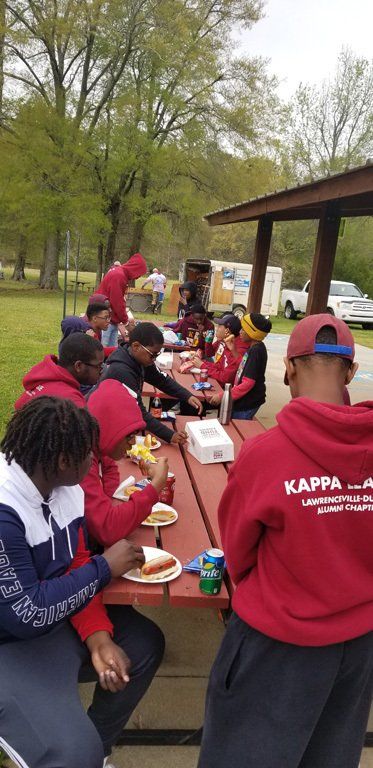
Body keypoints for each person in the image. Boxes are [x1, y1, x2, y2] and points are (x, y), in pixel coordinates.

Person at [198, 314, 373, 768]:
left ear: (289, 369)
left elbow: (237, 553)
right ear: (351, 372)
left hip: (276, 645)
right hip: (358, 647)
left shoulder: (264, 454)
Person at [0, 397, 164, 768]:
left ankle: (98, 746)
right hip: (12, 644)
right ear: (62, 461)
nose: (94, 462)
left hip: (56, 623)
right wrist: (104, 568)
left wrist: (98, 637)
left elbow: (73, 565)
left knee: (142, 644)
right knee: (73, 755)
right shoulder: (5, 510)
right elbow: (27, 613)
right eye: (87, 454)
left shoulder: (65, 489)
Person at [83, 379, 169, 547]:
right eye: (129, 436)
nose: (133, 443)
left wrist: (104, 502)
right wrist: (156, 485)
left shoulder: (98, 444)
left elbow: (111, 470)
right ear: (106, 429)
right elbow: (107, 530)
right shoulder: (81, 462)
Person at [99, 322, 202, 443]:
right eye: (153, 354)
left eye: (158, 354)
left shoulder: (139, 359)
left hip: (122, 421)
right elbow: (138, 412)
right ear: (136, 346)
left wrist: (187, 396)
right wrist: (170, 436)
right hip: (106, 428)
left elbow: (161, 380)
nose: (154, 359)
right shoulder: (122, 371)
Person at [208, 312, 271, 419]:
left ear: (252, 333)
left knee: (235, 428)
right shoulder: (254, 347)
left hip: (248, 401)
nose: (240, 332)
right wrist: (233, 350)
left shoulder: (256, 351)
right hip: (244, 399)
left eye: (243, 329)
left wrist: (223, 396)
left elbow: (248, 383)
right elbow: (244, 365)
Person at [15, 334, 104, 410]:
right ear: (78, 366)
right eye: (98, 366)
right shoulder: (72, 404)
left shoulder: (45, 375)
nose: (101, 370)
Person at [96, 253, 147, 347]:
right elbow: (116, 301)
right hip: (104, 318)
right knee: (102, 347)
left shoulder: (119, 273)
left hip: (111, 318)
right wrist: (126, 321)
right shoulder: (119, 276)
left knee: (113, 348)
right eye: (139, 274)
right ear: (135, 269)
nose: (138, 277)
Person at [190, 314, 245, 384]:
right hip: (218, 381)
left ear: (227, 331)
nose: (216, 329)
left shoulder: (236, 350)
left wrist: (202, 366)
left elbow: (226, 378)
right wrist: (202, 362)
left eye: (219, 326)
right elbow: (218, 365)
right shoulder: (226, 341)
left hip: (225, 389)